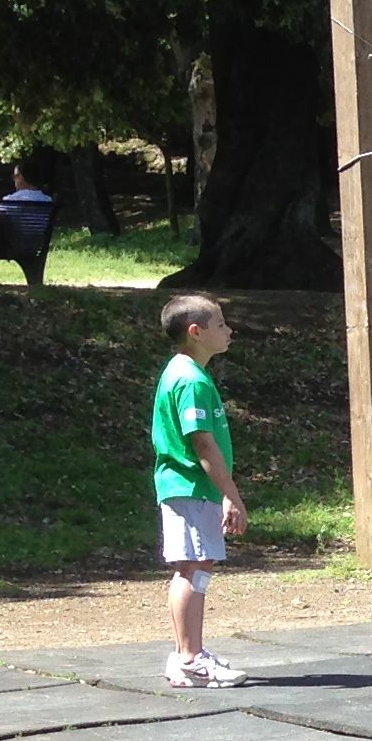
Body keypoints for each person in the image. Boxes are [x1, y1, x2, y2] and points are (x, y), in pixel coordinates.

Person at [151, 293, 250, 691]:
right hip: (191, 486)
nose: (229, 331)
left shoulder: (189, 373)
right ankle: (190, 659)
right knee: (193, 567)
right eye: (221, 324)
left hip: (192, 488)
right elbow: (202, 444)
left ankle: (187, 654)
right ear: (196, 331)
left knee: (197, 565)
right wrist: (231, 494)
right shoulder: (189, 379)